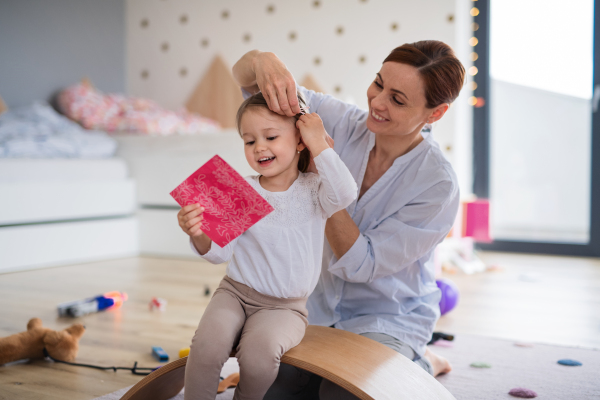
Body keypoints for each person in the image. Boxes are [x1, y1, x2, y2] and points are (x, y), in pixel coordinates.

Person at [232, 40, 465, 399]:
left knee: (338, 394)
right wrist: (264, 61)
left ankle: (415, 361)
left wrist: (317, 175)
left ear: (435, 114)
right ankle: (408, 365)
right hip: (314, 309)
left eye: (398, 99)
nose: (377, 102)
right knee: (268, 391)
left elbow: (361, 264)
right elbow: (247, 81)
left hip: (386, 317)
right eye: (378, 83)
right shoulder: (339, 120)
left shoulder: (437, 184)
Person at [177, 91, 357, 400]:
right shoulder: (239, 190)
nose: (259, 147)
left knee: (260, 358)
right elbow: (219, 254)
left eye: (271, 136)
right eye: (249, 141)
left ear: (299, 140)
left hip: (285, 307)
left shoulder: (315, 189)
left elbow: (346, 193)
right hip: (234, 293)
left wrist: (318, 142)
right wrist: (197, 232)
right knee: (206, 348)